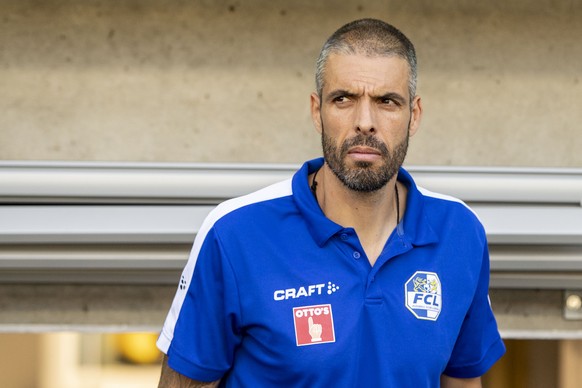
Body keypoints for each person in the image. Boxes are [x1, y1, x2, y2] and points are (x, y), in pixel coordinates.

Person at [156, 18, 505, 387]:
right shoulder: (234, 233)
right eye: (344, 99)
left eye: (387, 101)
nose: (365, 122)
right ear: (316, 110)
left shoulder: (460, 232)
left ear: (413, 115)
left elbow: (463, 380)